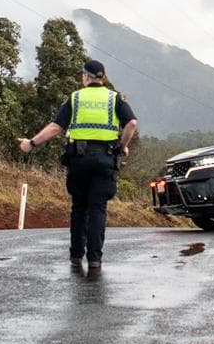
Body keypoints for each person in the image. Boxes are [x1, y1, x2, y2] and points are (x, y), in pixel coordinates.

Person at [19, 59, 137, 270]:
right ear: (102, 78)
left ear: (86, 77)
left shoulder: (75, 98)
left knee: (79, 207)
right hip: (105, 159)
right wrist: (122, 146)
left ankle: (76, 256)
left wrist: (31, 143)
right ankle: (94, 259)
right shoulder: (114, 98)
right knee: (98, 209)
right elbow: (132, 123)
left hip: (79, 160)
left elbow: (55, 127)